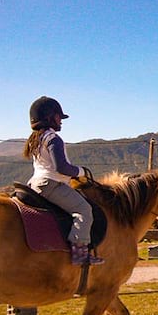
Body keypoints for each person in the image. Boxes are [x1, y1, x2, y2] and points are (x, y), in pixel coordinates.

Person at [23, 96, 104, 266]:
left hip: (35, 183)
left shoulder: (36, 138)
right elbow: (62, 168)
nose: (61, 121)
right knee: (84, 210)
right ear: (49, 117)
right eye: (58, 116)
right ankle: (80, 254)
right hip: (51, 184)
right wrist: (82, 171)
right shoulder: (53, 139)